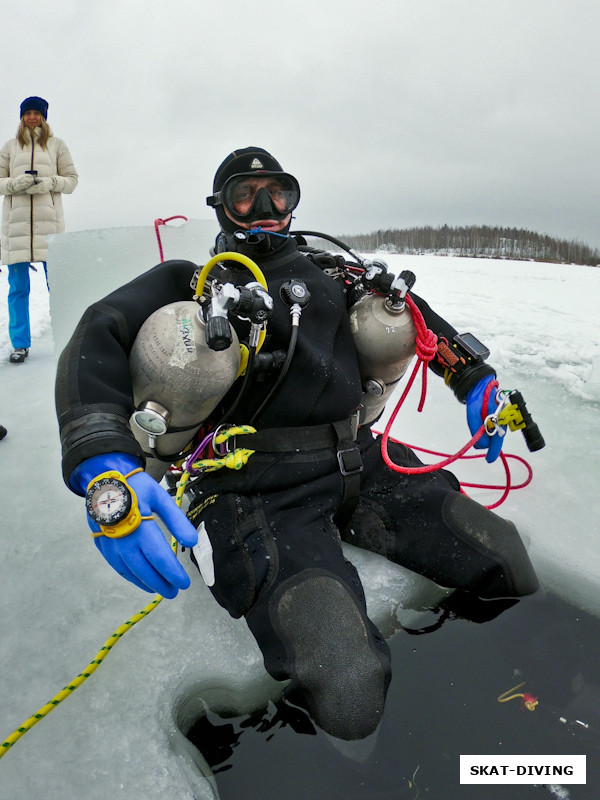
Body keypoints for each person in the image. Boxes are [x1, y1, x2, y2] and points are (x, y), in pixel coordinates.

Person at [55, 147, 539, 742]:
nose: (264, 208)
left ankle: (505, 698)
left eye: (278, 192)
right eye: (244, 194)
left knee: (505, 559)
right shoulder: (188, 282)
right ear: (220, 207)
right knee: (348, 688)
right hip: (250, 490)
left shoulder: (333, 270)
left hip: (359, 459)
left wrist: (472, 377)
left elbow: (417, 316)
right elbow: (96, 333)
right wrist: (105, 468)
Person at [0, 96, 78, 363]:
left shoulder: (57, 145)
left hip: (49, 228)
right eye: (27, 113)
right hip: (15, 228)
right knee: (18, 289)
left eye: (37, 113)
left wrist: (48, 182)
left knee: (57, 286)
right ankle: (20, 344)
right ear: (21, 116)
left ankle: (68, 339)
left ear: (44, 116)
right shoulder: (9, 147)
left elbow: (72, 181)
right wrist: (16, 184)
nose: (32, 117)